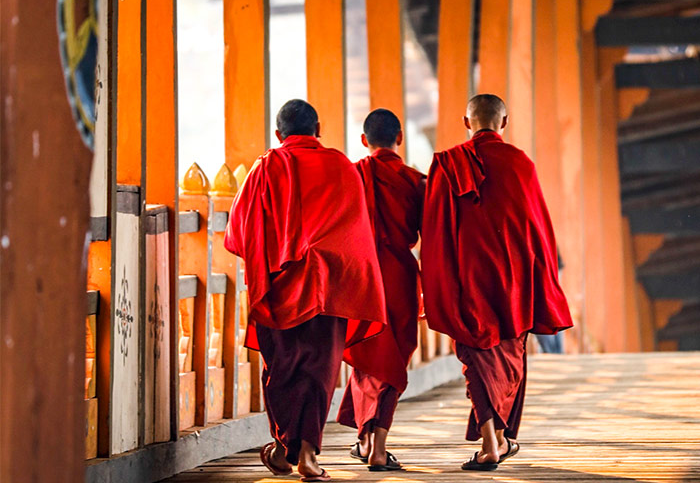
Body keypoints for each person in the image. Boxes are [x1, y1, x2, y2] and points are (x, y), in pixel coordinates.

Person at [224, 99, 387, 482]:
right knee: (318, 370)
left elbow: (237, 235)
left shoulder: (266, 167)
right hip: (330, 287)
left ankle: (286, 446)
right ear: (319, 129)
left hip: (279, 289)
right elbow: (356, 233)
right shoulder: (342, 166)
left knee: (281, 371)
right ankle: (304, 454)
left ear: (279, 134)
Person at [421, 94, 573, 471]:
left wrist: (434, 284)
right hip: (512, 282)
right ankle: (494, 442)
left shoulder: (446, 163)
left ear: (466, 122)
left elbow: (434, 229)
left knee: (476, 356)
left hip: (468, 278)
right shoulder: (521, 163)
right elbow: (538, 230)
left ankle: (496, 440)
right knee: (508, 357)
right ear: (503, 123)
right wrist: (543, 284)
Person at [336, 109, 425, 471]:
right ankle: (376, 445)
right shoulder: (416, 181)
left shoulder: (354, 176)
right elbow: (432, 236)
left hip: (361, 279)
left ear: (363, 141)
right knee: (392, 359)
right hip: (401, 277)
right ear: (399, 139)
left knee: (367, 353)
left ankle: (366, 439)